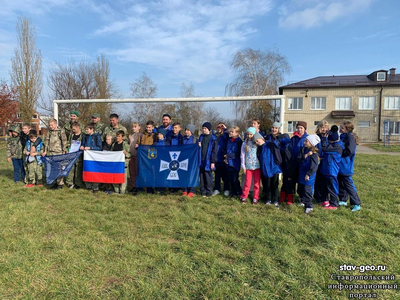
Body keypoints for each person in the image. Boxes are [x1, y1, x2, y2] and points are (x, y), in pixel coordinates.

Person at [338, 121, 362, 212]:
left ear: (347, 129)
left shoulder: (350, 137)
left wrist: (339, 153)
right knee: (341, 182)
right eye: (340, 127)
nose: (340, 129)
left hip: (346, 164)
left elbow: (350, 151)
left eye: (342, 128)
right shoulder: (343, 136)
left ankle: (356, 203)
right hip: (341, 164)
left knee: (348, 184)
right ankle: (343, 199)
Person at [320, 125, 343, 210]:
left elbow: (324, 148)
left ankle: (334, 204)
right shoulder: (333, 145)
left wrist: (324, 139)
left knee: (332, 187)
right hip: (326, 170)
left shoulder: (337, 147)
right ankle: (326, 201)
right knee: (325, 186)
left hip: (331, 171)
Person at [42, 119, 68, 189]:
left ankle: (60, 183)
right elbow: (46, 141)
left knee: (59, 168)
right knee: (53, 168)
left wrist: (64, 150)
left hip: (59, 152)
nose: (51, 126)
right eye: (49, 125)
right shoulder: (49, 132)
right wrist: (45, 150)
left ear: (56, 124)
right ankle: (54, 182)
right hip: (51, 152)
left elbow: (64, 141)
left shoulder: (60, 131)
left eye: (52, 125)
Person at [298, 134, 320, 214]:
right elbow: (299, 158)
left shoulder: (314, 154)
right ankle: (303, 201)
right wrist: (306, 155)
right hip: (302, 173)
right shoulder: (304, 150)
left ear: (311, 143)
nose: (304, 142)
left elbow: (314, 166)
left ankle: (309, 206)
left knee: (307, 190)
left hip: (308, 175)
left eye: (306, 141)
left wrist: (308, 174)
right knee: (300, 189)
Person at [288, 121, 308, 205]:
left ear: (305, 129)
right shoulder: (294, 138)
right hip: (294, 163)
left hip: (302, 163)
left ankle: (302, 197)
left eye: (301, 128)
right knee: (292, 180)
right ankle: (290, 197)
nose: (300, 130)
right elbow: (290, 149)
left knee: (301, 181)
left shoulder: (307, 139)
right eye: (298, 128)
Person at [240, 127, 261, 205]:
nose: (249, 136)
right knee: (247, 182)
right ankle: (244, 196)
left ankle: (256, 198)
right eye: (248, 134)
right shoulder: (244, 143)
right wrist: (243, 166)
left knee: (256, 183)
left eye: (251, 134)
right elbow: (242, 155)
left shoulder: (257, 143)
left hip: (257, 166)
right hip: (248, 167)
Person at [80, 123, 102, 193]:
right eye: (85, 129)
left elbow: (99, 147)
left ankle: (95, 187)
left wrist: (91, 148)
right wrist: (82, 146)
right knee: (87, 170)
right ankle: (88, 185)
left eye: (87, 129)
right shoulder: (85, 136)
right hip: (86, 157)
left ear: (92, 129)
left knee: (94, 172)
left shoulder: (97, 136)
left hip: (94, 157)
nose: (86, 131)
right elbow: (83, 143)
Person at [263, 122, 282, 205]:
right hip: (267, 164)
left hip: (275, 165)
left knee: (275, 183)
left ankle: (275, 200)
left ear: (278, 129)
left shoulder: (280, 138)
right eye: (273, 128)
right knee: (268, 183)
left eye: (276, 128)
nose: (274, 129)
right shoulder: (267, 137)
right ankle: (268, 199)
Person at [198, 122, 217, 197]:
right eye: (203, 128)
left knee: (208, 176)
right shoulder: (201, 137)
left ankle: (209, 191)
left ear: (209, 129)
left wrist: (213, 161)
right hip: (201, 159)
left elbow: (214, 151)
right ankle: (203, 190)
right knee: (202, 176)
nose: (203, 130)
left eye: (205, 128)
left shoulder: (213, 138)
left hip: (208, 160)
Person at [314, 120, 330, 205]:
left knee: (325, 180)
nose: (324, 129)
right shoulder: (317, 137)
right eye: (322, 127)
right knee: (317, 180)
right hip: (318, 161)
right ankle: (317, 196)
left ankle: (325, 197)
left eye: (326, 127)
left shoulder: (329, 138)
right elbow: (315, 148)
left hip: (326, 161)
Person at [213, 122, 230, 197]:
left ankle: (226, 189)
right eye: (218, 127)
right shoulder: (215, 136)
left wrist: (225, 129)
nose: (220, 129)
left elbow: (229, 135)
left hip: (223, 159)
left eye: (221, 127)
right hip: (217, 159)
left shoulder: (225, 136)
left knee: (225, 176)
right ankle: (217, 189)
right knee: (217, 176)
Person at [225, 126, 243, 198]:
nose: (231, 133)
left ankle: (238, 191)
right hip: (229, 162)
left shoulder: (239, 141)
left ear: (237, 133)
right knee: (230, 178)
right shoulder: (229, 140)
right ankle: (233, 193)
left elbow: (238, 152)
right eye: (230, 131)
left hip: (235, 162)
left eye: (232, 132)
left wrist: (228, 155)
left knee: (235, 178)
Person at [66, 122, 84, 189]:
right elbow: (68, 143)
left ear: (78, 127)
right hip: (71, 154)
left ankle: (78, 183)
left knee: (78, 170)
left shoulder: (83, 135)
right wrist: (67, 149)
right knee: (71, 168)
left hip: (79, 155)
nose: (73, 130)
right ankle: (70, 183)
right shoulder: (71, 135)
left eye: (74, 129)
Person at [277, 134, 293, 205]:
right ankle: (283, 197)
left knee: (288, 184)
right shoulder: (282, 147)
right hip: (284, 168)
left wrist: (289, 171)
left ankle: (290, 198)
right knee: (284, 183)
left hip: (289, 168)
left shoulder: (287, 148)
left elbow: (288, 160)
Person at [182, 124, 197, 197]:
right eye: (185, 130)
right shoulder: (183, 139)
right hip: (184, 159)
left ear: (191, 131)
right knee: (184, 175)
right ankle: (184, 190)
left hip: (192, 160)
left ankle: (192, 190)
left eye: (188, 130)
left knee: (192, 175)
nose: (186, 131)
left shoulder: (194, 140)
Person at [128, 122, 141, 194]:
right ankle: (133, 186)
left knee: (137, 172)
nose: (134, 128)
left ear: (139, 127)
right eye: (133, 127)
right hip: (131, 155)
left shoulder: (140, 135)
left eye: (135, 127)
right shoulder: (131, 136)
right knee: (132, 172)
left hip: (138, 155)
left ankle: (138, 186)